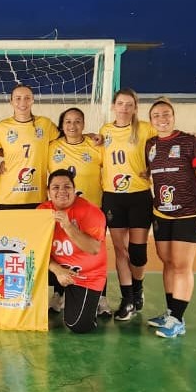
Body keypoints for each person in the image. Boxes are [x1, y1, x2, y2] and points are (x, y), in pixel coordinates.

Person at [145, 98, 196, 337]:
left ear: (173, 116)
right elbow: (149, 172)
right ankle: (171, 312)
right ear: (151, 121)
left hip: (188, 213)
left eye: (166, 114)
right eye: (156, 115)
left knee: (182, 265)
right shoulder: (150, 145)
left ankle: (178, 320)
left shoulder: (190, 142)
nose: (162, 119)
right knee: (168, 262)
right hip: (161, 213)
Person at [47, 107, 111, 317]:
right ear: (61, 125)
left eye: (77, 121)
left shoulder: (95, 145)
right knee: (60, 250)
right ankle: (59, 294)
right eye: (68, 121)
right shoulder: (52, 147)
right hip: (63, 209)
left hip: (90, 211)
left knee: (95, 254)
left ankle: (101, 296)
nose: (72, 125)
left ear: (84, 124)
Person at [100, 88, 156, 321]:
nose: (124, 108)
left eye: (129, 104)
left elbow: (163, 147)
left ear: (135, 108)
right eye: (120, 103)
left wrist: (151, 168)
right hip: (113, 197)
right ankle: (128, 299)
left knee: (137, 253)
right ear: (113, 106)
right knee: (120, 250)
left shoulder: (145, 128)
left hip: (139, 196)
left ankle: (138, 287)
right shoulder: (105, 131)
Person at [38, 169, 107, 333]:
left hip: (85, 275)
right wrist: (57, 270)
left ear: (74, 190)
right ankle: (50, 301)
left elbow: (94, 249)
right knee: (24, 265)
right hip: (57, 269)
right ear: (48, 192)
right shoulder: (42, 212)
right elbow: (35, 249)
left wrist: (68, 226)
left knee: (78, 326)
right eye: (55, 187)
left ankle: (89, 303)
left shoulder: (90, 211)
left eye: (67, 187)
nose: (61, 191)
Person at [0, 84, 58, 209]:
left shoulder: (45, 124)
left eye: (27, 98)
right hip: (7, 196)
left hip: (36, 195)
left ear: (33, 100)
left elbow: (67, 138)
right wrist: (7, 159)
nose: (22, 102)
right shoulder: (2, 127)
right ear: (11, 101)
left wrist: (88, 136)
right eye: (18, 98)